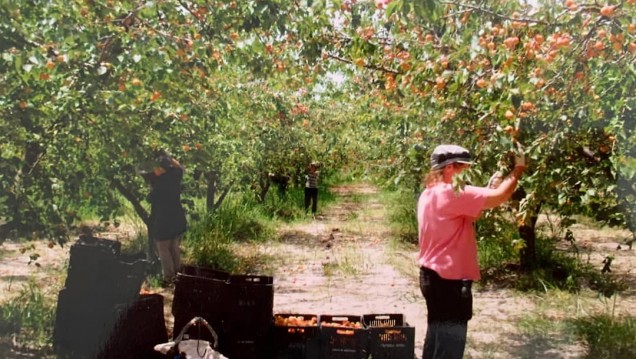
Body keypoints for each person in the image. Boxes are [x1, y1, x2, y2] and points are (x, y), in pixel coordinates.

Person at [417, 143, 526, 359]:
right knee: (449, 347)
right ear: (449, 168)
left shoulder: (428, 194)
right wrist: (518, 168)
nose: (465, 172)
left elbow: (471, 215)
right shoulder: (451, 193)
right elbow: (501, 196)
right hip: (449, 282)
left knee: (437, 339)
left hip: (431, 277)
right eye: (462, 167)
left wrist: (489, 188)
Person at [145, 150, 187, 286]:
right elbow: (179, 167)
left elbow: (150, 197)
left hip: (164, 219)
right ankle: (178, 276)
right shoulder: (176, 175)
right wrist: (169, 157)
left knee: (163, 249)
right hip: (177, 217)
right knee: (174, 247)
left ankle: (169, 279)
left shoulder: (159, 183)